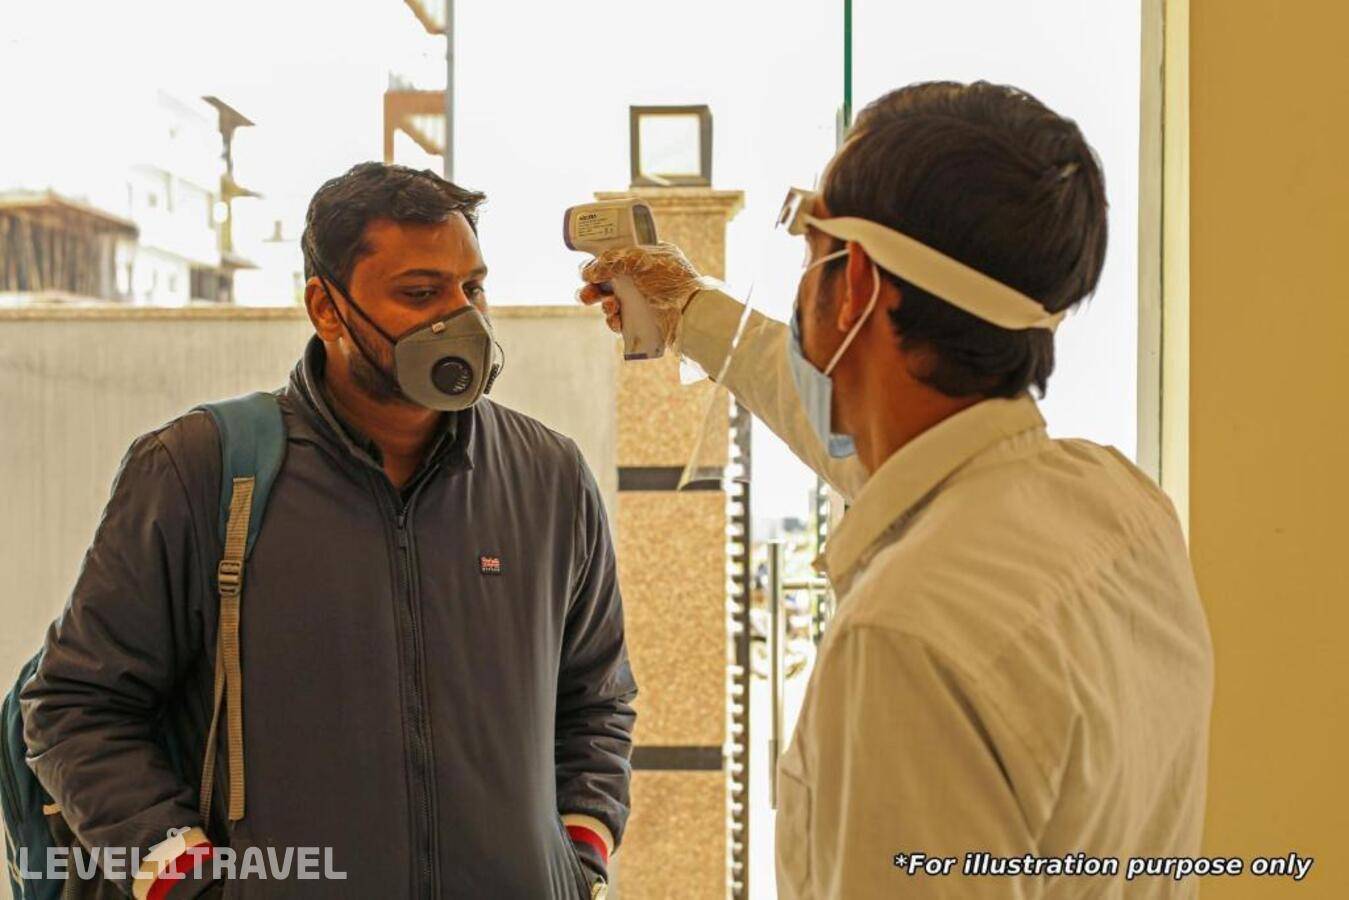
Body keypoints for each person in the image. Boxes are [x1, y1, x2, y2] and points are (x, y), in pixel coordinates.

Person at [579, 82, 1212, 898]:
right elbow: (877, 453)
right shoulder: (1120, 507)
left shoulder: (903, 638)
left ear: (855, 282)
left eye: (810, 239)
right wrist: (690, 309)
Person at [23, 162, 635, 899]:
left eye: (471, 289)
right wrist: (186, 881)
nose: (461, 318)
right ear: (326, 307)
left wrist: (578, 858)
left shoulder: (548, 476)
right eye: (420, 293)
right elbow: (75, 708)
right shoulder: (200, 470)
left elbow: (597, 701)